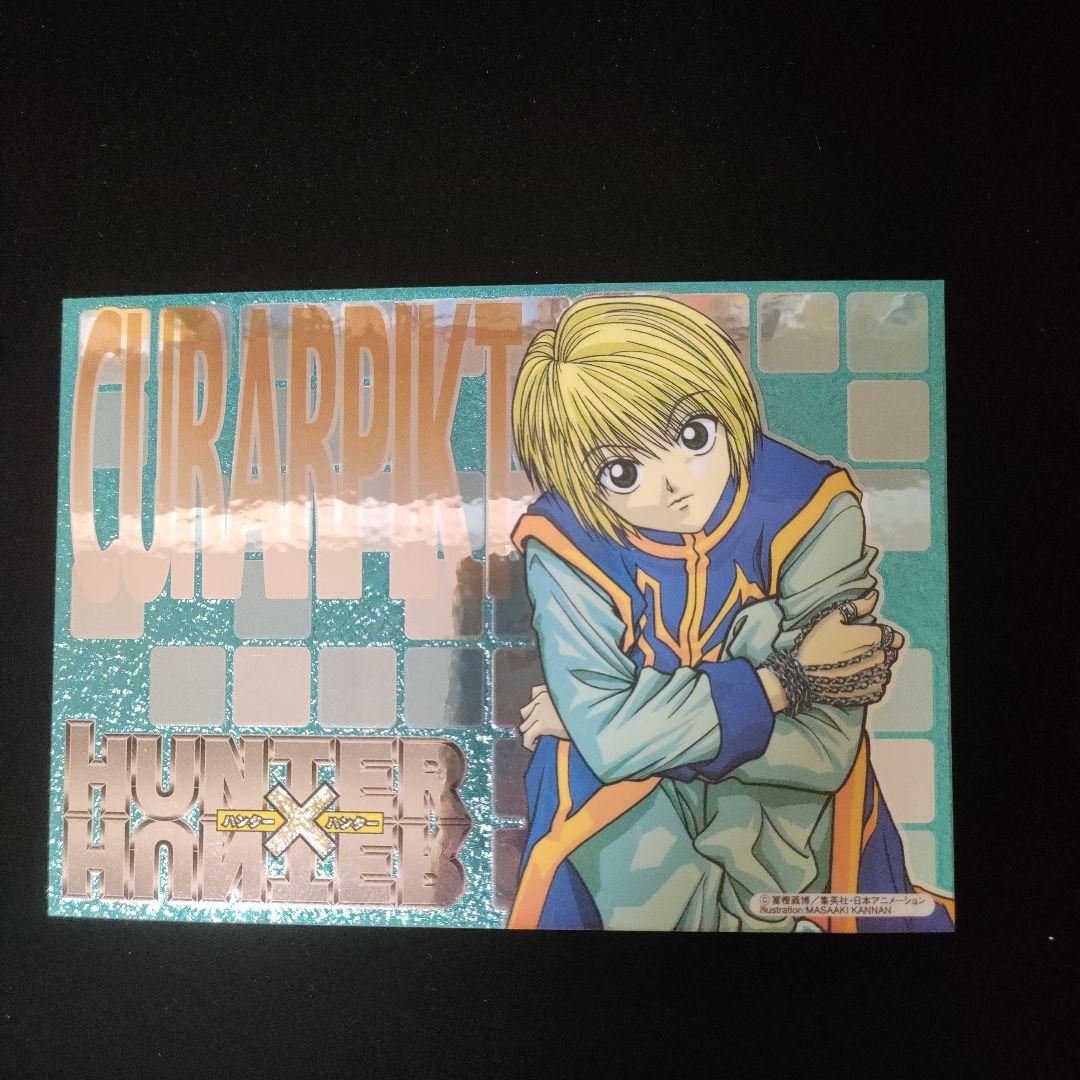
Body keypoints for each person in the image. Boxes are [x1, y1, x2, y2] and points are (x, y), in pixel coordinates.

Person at [507, 295, 953, 932]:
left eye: (693, 436)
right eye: (622, 471)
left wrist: (623, 727)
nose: (673, 484)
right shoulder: (565, 541)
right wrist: (781, 683)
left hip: (789, 819)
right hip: (623, 821)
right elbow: (609, 744)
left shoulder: (809, 507)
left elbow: (823, 746)